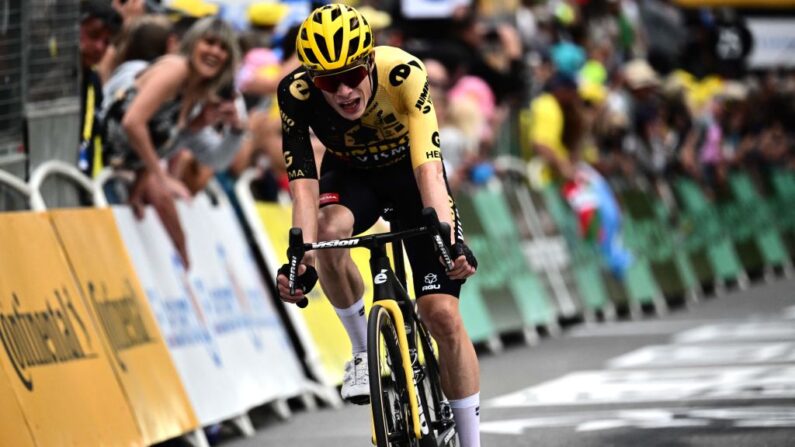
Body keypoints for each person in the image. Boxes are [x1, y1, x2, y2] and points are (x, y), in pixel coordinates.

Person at [274, 5, 481, 446]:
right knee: (329, 237)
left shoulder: (404, 73)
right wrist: (301, 259)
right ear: (313, 80)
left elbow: (429, 166)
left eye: (353, 75)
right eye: (330, 82)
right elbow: (304, 186)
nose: (346, 91)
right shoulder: (294, 94)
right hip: (351, 176)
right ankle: (363, 353)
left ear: (371, 62)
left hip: (411, 175)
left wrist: (447, 238)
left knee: (441, 315)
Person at [105, 17, 240, 267]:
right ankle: (185, 260)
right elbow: (133, 122)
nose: (215, 52)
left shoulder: (194, 94)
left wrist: (136, 192)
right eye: (209, 42)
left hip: (117, 170)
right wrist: (163, 177)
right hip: (96, 161)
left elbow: (160, 146)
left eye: (223, 48)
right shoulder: (176, 69)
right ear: (192, 43)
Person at [79, 0, 122, 178]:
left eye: (107, 42)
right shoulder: (48, 77)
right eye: (93, 35)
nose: (99, 47)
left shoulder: (94, 80)